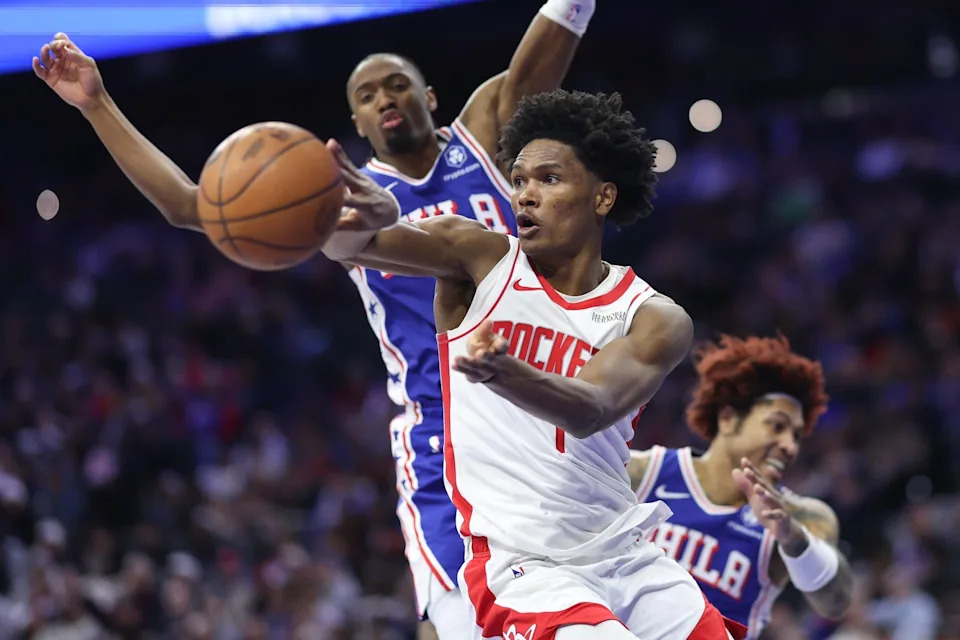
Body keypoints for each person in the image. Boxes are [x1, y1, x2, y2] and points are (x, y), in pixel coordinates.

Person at [33, 3, 592, 638]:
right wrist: (96, 103)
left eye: (397, 83)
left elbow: (550, 41)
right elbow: (191, 207)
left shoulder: (485, 133)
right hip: (449, 433)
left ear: (430, 96)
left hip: (549, 406)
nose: (385, 96)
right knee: (462, 624)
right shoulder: (336, 199)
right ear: (355, 120)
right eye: (366, 93)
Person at [321, 88, 746, 639]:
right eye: (518, 181)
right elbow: (342, 245)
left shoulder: (654, 316)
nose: (525, 196)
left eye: (549, 180)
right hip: (523, 563)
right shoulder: (474, 257)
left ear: (602, 197)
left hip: (627, 554)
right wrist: (369, 218)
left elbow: (591, 408)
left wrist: (507, 373)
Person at [627, 334, 854, 638]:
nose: (789, 446)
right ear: (729, 419)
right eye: (777, 426)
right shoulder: (644, 472)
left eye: (797, 436)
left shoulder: (800, 516)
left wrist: (792, 539)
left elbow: (836, 601)